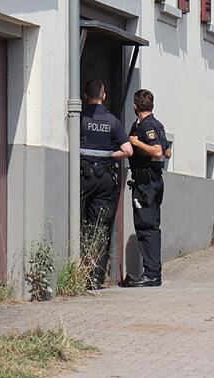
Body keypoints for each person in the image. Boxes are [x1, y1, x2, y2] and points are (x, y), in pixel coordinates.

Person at [80, 80, 133, 289]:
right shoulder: (112, 121)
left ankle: (79, 270)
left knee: (77, 221)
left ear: (84, 96)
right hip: (104, 179)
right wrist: (110, 155)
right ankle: (95, 278)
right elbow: (128, 150)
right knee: (99, 226)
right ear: (104, 96)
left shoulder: (80, 118)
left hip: (83, 176)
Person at [121, 89, 168, 287]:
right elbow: (168, 151)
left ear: (135, 106)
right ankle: (152, 272)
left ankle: (151, 274)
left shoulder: (147, 126)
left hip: (146, 184)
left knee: (146, 226)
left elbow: (159, 152)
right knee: (151, 225)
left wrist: (136, 142)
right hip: (153, 182)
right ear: (152, 106)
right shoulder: (157, 125)